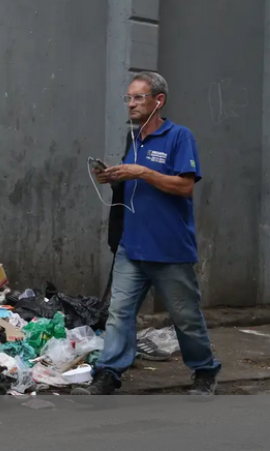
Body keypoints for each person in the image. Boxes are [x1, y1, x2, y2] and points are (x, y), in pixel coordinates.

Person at [73, 72, 221, 396]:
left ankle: (205, 371)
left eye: (139, 97)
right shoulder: (135, 139)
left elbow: (184, 186)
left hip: (169, 249)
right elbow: (136, 186)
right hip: (132, 246)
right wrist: (115, 177)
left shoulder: (179, 137)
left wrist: (142, 171)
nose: (131, 104)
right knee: (119, 314)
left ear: (158, 100)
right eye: (128, 98)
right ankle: (108, 374)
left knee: (185, 317)